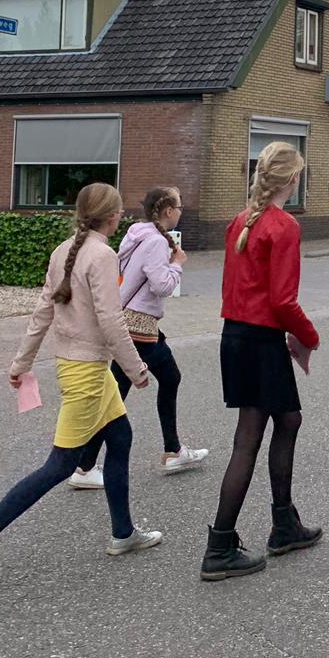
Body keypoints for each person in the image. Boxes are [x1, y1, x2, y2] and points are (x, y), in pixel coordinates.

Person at [0, 184, 161, 591]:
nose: (121, 216)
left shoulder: (64, 251)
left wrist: (21, 362)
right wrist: (136, 369)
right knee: (59, 466)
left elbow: (43, 310)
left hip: (78, 366)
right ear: (111, 217)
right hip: (89, 374)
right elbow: (112, 322)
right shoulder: (103, 256)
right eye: (119, 211)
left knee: (121, 438)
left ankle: (123, 533)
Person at [201, 142, 322, 581]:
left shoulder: (242, 221)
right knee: (249, 438)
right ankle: (220, 545)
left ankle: (284, 523)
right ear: (294, 179)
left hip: (236, 334)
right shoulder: (283, 226)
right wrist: (309, 337)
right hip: (260, 339)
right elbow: (283, 300)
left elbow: (238, 288)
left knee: (287, 420)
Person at [72, 186, 207, 488]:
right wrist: (177, 265)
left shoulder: (135, 234)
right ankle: (86, 466)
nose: (181, 211)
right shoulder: (156, 242)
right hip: (140, 326)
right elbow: (161, 285)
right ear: (168, 211)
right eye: (179, 207)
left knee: (130, 388)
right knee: (144, 386)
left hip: (132, 321)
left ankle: (88, 464)